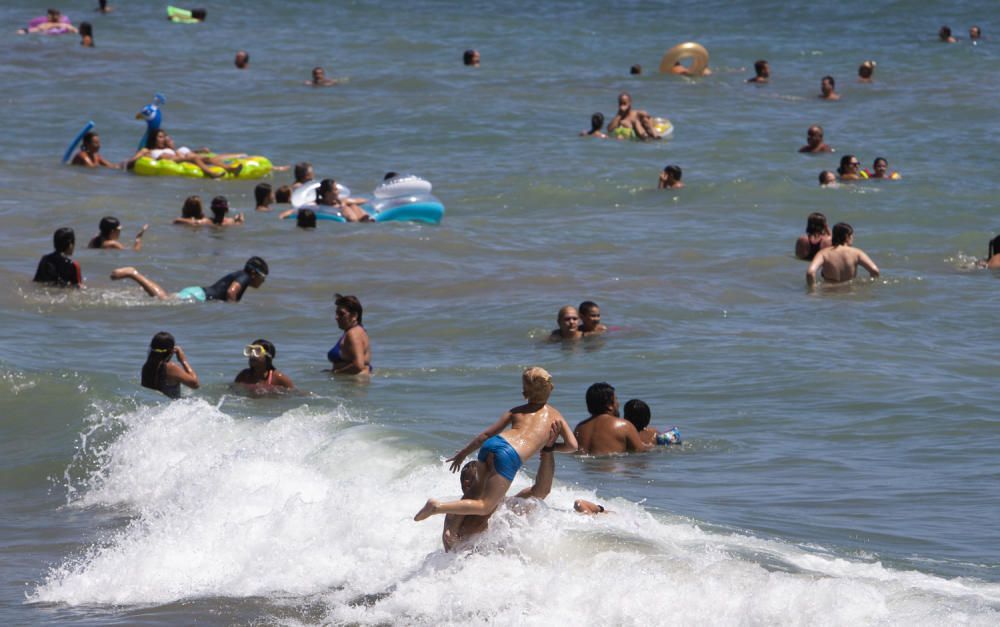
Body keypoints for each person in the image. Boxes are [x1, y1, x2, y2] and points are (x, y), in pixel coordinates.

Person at [414, 367, 578, 523]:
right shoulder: (556, 416)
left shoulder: (516, 410)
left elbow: (485, 435)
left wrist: (463, 453)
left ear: (525, 392)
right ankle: (437, 507)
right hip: (509, 454)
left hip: (494, 443)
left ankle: (455, 528)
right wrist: (550, 446)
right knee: (486, 506)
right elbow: (573, 446)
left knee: (476, 495)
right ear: (551, 388)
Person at [442, 432, 558, 551]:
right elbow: (450, 546)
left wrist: (548, 450)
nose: (496, 481)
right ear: (467, 485)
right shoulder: (455, 514)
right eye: (488, 477)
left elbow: (542, 490)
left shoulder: (506, 506)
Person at [110, 256, 268, 302]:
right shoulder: (245, 276)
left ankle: (137, 282)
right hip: (199, 296)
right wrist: (232, 310)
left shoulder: (240, 273)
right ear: (255, 274)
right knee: (163, 299)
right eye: (263, 278)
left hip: (198, 293)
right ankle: (133, 273)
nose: (263, 282)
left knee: (164, 298)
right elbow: (231, 293)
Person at [574, 382, 653, 455]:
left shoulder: (579, 428)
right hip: (610, 467)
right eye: (616, 399)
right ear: (609, 405)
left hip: (586, 470)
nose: (618, 404)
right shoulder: (624, 426)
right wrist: (655, 447)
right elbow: (640, 452)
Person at [806, 223, 880, 287]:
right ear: (847, 237)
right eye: (851, 235)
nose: (853, 238)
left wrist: (812, 289)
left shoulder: (823, 253)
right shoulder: (857, 253)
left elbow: (810, 272)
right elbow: (875, 271)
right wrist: (869, 285)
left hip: (829, 294)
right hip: (850, 293)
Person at [141, 332, 198, 399]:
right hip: (171, 407)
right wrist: (183, 361)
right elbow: (195, 384)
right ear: (172, 350)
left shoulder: (146, 366)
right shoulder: (170, 367)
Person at [328, 293, 372, 374]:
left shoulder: (353, 334)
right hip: (350, 382)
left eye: (341, 314)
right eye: (336, 313)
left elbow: (358, 366)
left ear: (354, 315)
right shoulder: (356, 331)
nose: (336, 317)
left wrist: (336, 373)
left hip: (354, 383)